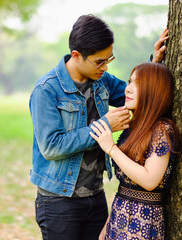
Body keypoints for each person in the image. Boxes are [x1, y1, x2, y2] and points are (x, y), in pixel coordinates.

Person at [29, 14, 168, 240]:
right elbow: (51, 147)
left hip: (96, 196)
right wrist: (105, 125)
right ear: (76, 55)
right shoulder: (46, 90)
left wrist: (155, 66)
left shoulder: (102, 80)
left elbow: (137, 95)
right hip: (59, 201)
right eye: (99, 61)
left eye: (108, 60)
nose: (104, 67)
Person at [89, 62, 180, 240]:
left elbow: (149, 180)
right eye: (130, 82)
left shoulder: (161, 129)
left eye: (137, 84)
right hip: (119, 216)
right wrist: (107, 227)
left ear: (153, 91)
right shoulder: (134, 127)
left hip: (143, 224)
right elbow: (126, 187)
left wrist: (111, 148)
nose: (128, 89)